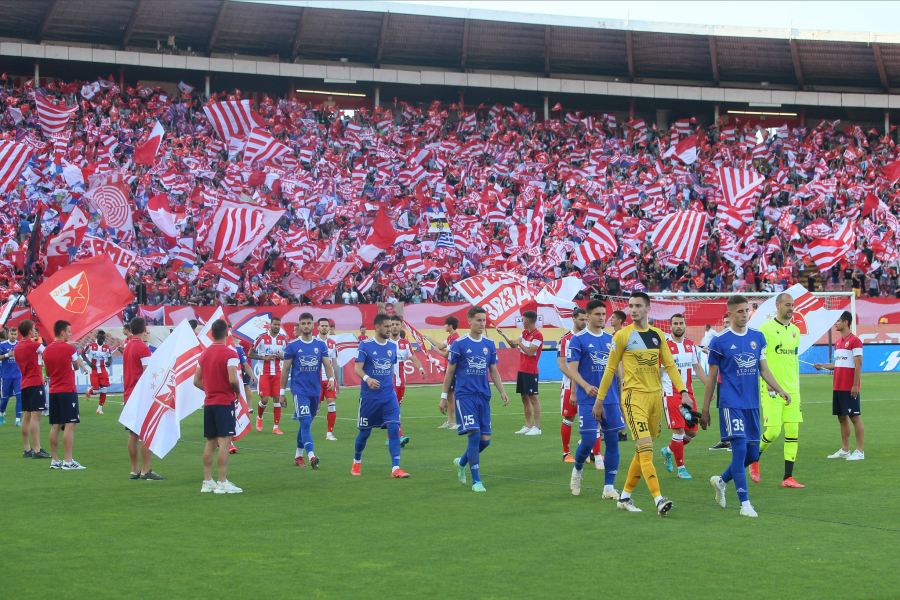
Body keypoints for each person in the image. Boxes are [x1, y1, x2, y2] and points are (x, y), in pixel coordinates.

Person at [594, 292, 689, 516]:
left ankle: (625, 497)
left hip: (655, 398)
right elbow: (610, 370)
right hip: (633, 398)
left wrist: (683, 390)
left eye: (638, 306)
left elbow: (670, 366)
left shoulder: (658, 336)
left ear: (648, 308)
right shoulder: (621, 336)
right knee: (646, 449)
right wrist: (599, 400)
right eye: (630, 306)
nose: (633, 309)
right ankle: (658, 499)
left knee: (642, 450)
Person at [701, 295, 791, 518]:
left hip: (752, 403)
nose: (744, 315)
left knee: (752, 454)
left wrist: (779, 389)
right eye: (739, 311)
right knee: (740, 450)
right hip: (731, 403)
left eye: (746, 310)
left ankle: (721, 481)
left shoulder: (757, 338)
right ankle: (745, 504)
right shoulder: (719, 341)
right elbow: (712, 378)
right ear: (729, 314)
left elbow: (764, 369)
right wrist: (705, 409)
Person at [442, 306, 509, 492]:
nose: (482, 323)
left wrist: (502, 391)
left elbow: (493, 371)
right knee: (475, 437)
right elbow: (450, 371)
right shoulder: (459, 343)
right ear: (470, 321)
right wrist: (443, 396)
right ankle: (476, 481)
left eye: (484, 320)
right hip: (464, 396)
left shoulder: (489, 344)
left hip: (483, 396)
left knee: (485, 441)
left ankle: (462, 462)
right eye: (478, 320)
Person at [567, 300, 625, 500]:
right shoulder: (578, 339)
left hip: (610, 399)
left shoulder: (612, 339)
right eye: (598, 314)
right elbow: (571, 370)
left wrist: (623, 385)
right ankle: (578, 469)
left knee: (612, 443)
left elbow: (618, 368)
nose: (601, 317)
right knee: (590, 439)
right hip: (588, 399)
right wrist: (584, 386)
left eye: (604, 314)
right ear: (588, 316)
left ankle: (608, 487)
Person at [751, 293, 805, 488]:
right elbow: (759, 358)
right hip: (772, 388)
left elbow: (793, 362)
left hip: (792, 390)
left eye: (793, 305)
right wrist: (766, 381)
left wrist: (797, 389)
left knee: (792, 431)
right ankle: (754, 459)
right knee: (773, 432)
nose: (791, 308)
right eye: (787, 305)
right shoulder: (765, 329)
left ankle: (787, 478)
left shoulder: (796, 331)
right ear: (778, 305)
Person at [352, 314, 409, 478]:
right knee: (365, 433)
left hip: (388, 397)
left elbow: (390, 370)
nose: (390, 329)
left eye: (391, 325)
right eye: (386, 326)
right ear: (377, 327)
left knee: (394, 427)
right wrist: (367, 379)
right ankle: (357, 461)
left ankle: (395, 468)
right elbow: (357, 368)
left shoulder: (392, 346)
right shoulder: (365, 345)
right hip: (369, 398)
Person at [194, 319, 243, 494]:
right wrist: (236, 392)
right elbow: (232, 378)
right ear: (227, 333)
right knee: (224, 442)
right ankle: (222, 482)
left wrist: (210, 390)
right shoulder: (230, 354)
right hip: (224, 402)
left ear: (212, 334)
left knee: (210, 442)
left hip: (210, 402)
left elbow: (196, 380)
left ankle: (207, 481)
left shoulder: (204, 354)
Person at [281, 313, 335, 469]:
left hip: (315, 391)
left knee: (306, 424)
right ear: (299, 325)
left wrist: (331, 379)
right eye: (303, 323)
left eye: (308, 323)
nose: (306, 326)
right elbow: (285, 370)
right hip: (299, 391)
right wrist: (282, 393)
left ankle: (298, 456)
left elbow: (327, 365)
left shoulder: (320, 345)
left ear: (313, 325)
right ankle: (311, 456)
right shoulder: (292, 345)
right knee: (305, 422)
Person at [659, 314, 709, 479]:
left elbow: (698, 368)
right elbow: (658, 372)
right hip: (671, 393)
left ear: (685, 325)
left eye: (681, 323)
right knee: (679, 430)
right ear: (670, 326)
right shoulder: (664, 346)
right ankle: (681, 469)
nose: (678, 326)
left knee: (692, 432)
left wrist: (710, 387)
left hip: (689, 394)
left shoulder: (690, 345)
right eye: (675, 323)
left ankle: (668, 450)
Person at [814, 311, 865, 460]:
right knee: (841, 418)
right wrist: (822, 366)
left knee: (855, 417)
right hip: (838, 386)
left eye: (838, 321)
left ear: (846, 322)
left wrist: (855, 385)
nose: (836, 323)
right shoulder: (838, 342)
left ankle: (860, 451)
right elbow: (838, 364)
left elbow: (858, 364)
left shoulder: (855, 341)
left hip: (849, 387)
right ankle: (845, 450)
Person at [122, 317, 166, 480]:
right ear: (144, 329)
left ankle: (135, 470)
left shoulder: (128, 346)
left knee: (133, 434)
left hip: (129, 394)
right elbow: (148, 375)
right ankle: (146, 470)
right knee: (147, 433)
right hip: (140, 395)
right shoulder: (142, 348)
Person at [43, 320, 90, 470]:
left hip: (54, 391)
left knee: (55, 425)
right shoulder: (70, 349)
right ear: (62, 332)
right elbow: (76, 367)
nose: (70, 334)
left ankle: (55, 460)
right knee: (70, 424)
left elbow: (48, 373)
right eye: (69, 331)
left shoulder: (46, 350)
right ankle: (68, 460)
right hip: (67, 390)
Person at [498, 310, 543, 435]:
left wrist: (519, 343)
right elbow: (513, 344)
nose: (522, 322)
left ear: (527, 321)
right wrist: (504, 335)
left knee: (533, 399)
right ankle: (528, 425)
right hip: (522, 370)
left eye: (523, 320)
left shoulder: (538, 335)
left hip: (531, 370)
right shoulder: (524, 333)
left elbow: (530, 352)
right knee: (524, 398)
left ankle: (537, 427)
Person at [14, 320, 49, 459]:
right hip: (35, 382)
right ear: (30, 331)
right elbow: (49, 354)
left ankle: (27, 449)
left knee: (26, 416)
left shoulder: (17, 347)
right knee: (35, 417)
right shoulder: (36, 345)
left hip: (25, 382)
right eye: (34, 328)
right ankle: (37, 449)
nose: (35, 331)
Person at [389, 315, 426, 447]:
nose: (394, 326)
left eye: (396, 324)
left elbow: (413, 358)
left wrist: (421, 368)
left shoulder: (405, 344)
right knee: (394, 409)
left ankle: (390, 437)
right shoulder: (385, 342)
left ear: (401, 327)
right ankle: (397, 436)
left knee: (396, 409)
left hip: (401, 382)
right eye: (392, 324)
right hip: (389, 383)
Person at [558, 308, 587, 462]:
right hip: (570, 385)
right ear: (574, 319)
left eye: (585, 319)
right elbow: (562, 365)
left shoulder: (589, 337)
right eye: (581, 319)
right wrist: (576, 378)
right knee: (569, 417)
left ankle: (591, 450)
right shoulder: (566, 339)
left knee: (594, 418)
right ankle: (566, 453)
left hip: (589, 384)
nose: (584, 322)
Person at [251, 316, 288, 434]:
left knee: (277, 399)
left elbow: (288, 354)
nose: (277, 327)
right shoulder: (261, 338)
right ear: (270, 325)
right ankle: (260, 417)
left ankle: (275, 427)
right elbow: (250, 353)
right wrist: (264, 358)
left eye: (279, 325)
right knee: (265, 400)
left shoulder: (283, 339)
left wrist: (282, 356)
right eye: (275, 324)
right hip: (264, 373)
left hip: (278, 372)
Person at [424, 316, 459, 430]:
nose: (444, 326)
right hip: (448, 368)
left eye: (445, 324)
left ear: (450, 326)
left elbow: (444, 353)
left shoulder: (455, 339)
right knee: (449, 394)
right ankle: (450, 420)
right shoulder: (450, 338)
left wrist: (436, 351)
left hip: (453, 369)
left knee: (452, 394)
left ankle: (453, 421)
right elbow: (440, 345)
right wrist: (429, 338)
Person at [708, 315, 734, 451]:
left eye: (727, 322)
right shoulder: (720, 340)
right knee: (723, 411)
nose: (725, 325)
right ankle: (725, 440)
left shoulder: (737, 339)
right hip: (721, 381)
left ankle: (736, 439)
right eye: (724, 322)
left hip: (734, 382)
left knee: (734, 410)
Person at [316, 318, 340, 441]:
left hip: (329, 380)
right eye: (322, 326)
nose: (324, 328)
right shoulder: (313, 341)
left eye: (326, 326)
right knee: (315, 407)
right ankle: (305, 429)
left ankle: (329, 433)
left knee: (332, 405)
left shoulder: (332, 343)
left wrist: (337, 380)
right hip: (316, 380)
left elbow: (334, 363)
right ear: (318, 327)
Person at [83, 330, 113, 414]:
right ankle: (90, 391)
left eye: (103, 339)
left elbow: (110, 357)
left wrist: (109, 362)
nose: (102, 340)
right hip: (94, 370)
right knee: (96, 391)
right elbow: (83, 353)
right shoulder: (90, 345)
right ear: (97, 337)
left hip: (103, 370)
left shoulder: (106, 347)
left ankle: (99, 409)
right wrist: (89, 362)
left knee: (104, 390)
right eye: (100, 338)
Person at [0, 328, 21, 426]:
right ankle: (1, 414)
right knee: (4, 399)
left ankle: (17, 420)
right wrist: (8, 355)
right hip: (6, 376)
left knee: (19, 396)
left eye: (15, 334)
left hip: (18, 375)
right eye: (12, 334)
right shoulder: (3, 344)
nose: (14, 336)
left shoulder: (19, 345)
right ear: (8, 334)